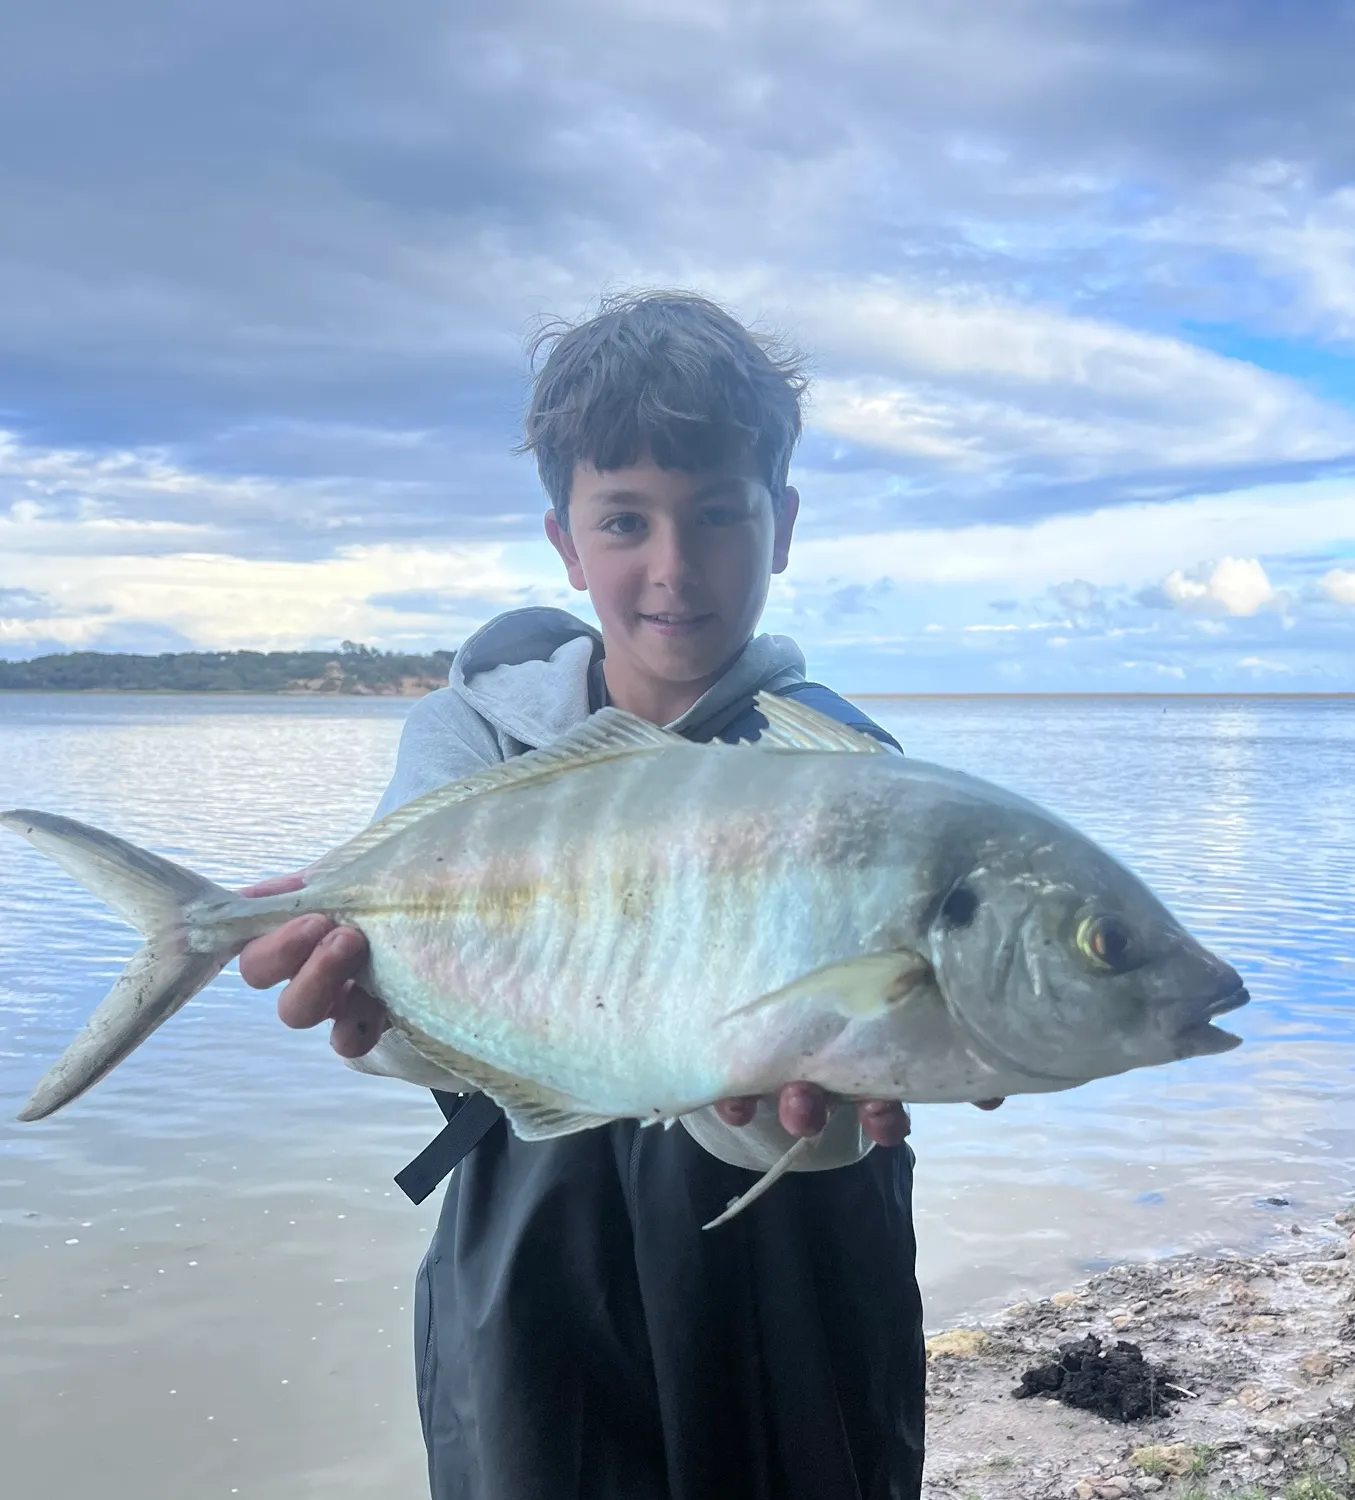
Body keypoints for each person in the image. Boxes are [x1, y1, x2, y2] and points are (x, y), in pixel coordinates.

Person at [237, 290, 1000, 1500]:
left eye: (719, 516)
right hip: (535, 1258)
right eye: (626, 521)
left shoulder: (848, 771)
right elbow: (414, 1047)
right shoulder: (469, 742)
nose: (675, 568)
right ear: (565, 541)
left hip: (796, 1263)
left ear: (783, 524)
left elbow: (863, 1094)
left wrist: (891, 1072)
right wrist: (368, 1021)